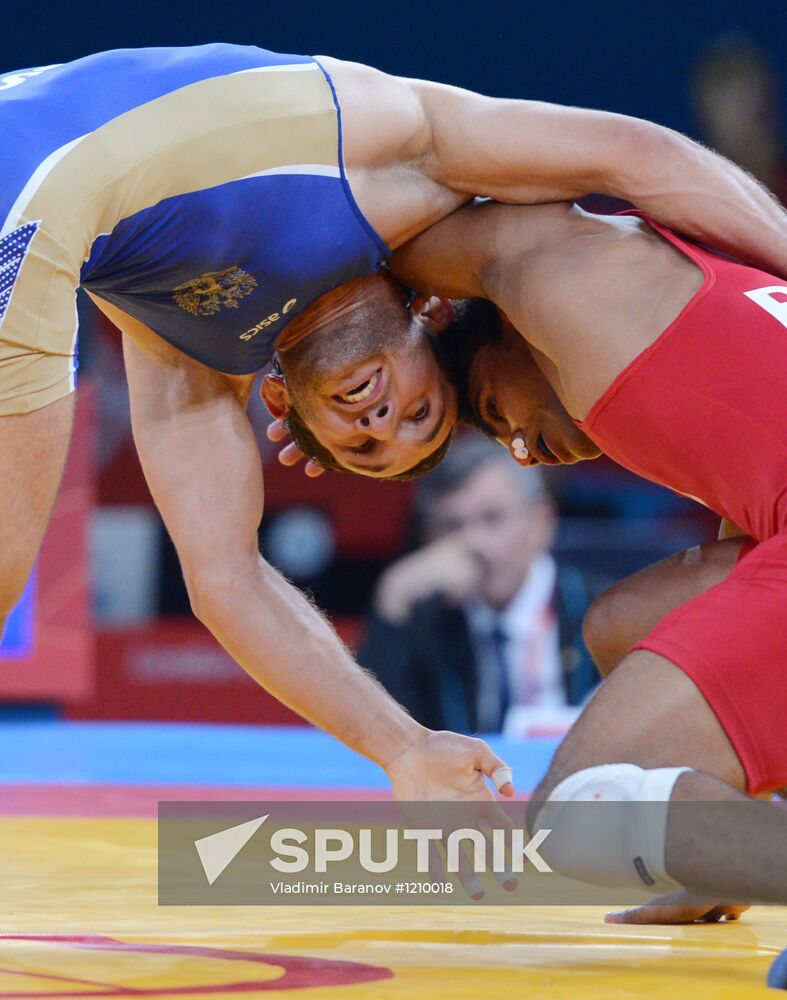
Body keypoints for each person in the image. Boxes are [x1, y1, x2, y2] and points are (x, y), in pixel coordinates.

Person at [4, 42, 787, 805]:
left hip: (30, 186)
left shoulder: (178, 346)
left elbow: (226, 579)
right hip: (31, 186)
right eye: (421, 411)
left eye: (365, 445)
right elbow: (631, 150)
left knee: (618, 636)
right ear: (429, 316)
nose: (382, 419)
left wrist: (403, 748)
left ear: (281, 404)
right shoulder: (398, 162)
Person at [267, 196, 787, 915]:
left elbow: (624, 149)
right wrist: (724, 859)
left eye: (491, 406)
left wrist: (310, 356)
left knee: (580, 810)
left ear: (493, 323)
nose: (522, 448)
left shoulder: (556, 279)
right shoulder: (697, 328)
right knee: (623, 623)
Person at [358, 435, 596, 733]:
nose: (473, 543)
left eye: (492, 519)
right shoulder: (423, 621)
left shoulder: (599, 607)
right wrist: (393, 600)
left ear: (542, 522)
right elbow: (370, 731)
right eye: (452, 526)